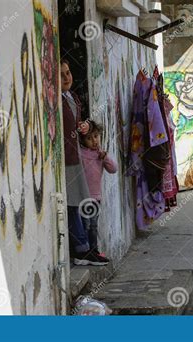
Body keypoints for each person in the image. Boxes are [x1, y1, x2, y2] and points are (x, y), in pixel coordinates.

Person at [61, 59, 109, 266]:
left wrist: (84, 126)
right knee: (73, 204)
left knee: (77, 202)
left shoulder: (71, 97)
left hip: (75, 158)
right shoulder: (57, 99)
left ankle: (87, 248)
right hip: (67, 158)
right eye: (61, 74)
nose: (66, 78)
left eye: (68, 72)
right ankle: (82, 249)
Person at [79, 120, 117, 263]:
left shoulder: (100, 155)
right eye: (89, 138)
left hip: (95, 198)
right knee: (86, 225)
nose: (94, 141)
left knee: (93, 226)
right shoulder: (81, 153)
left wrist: (105, 157)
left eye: (96, 136)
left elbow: (113, 169)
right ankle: (86, 251)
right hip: (83, 196)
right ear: (83, 141)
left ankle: (94, 251)